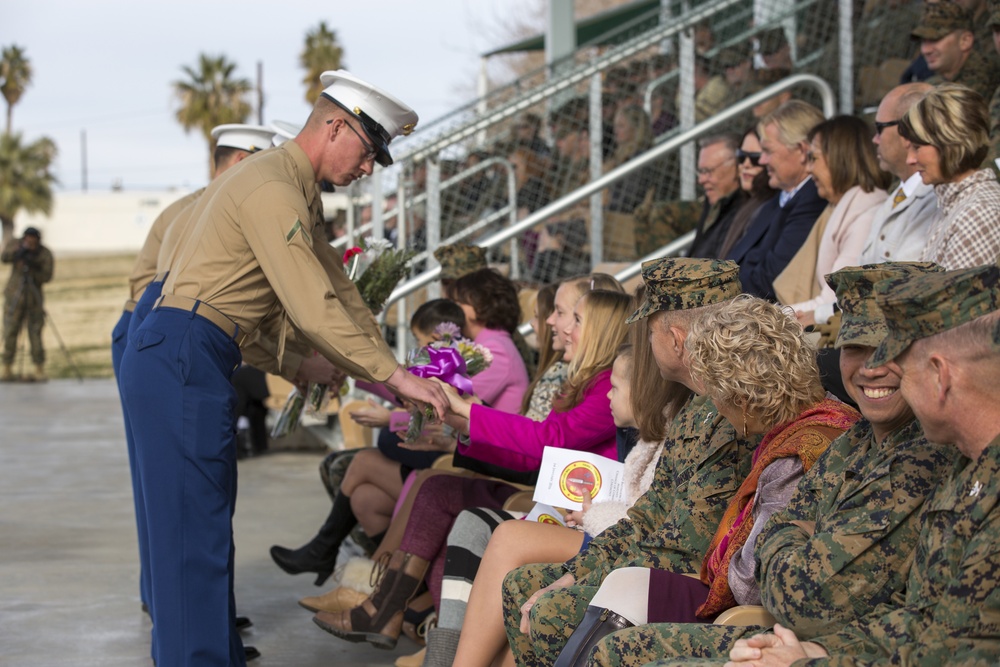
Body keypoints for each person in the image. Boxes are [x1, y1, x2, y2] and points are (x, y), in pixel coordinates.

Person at [118, 70, 449, 667]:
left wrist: (388, 370)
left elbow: (340, 294)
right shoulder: (274, 187)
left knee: (201, 532)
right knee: (192, 540)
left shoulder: (286, 184)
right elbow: (311, 303)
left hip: (189, 349)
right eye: (370, 149)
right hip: (187, 351)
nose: (370, 167)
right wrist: (396, 378)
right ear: (335, 125)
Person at [581, 262, 959, 667]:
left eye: (894, 348)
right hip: (812, 637)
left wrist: (786, 538)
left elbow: (795, 595)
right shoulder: (854, 440)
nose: (870, 366)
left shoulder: (877, 449)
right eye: (855, 347)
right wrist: (793, 538)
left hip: (803, 634)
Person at [311, 288, 632, 649]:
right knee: (434, 490)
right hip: (550, 498)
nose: (554, 322)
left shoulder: (606, 385)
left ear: (599, 330)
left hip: (567, 512)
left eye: (572, 317)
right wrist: (463, 430)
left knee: (441, 495)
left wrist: (466, 412)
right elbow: (536, 453)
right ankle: (399, 614)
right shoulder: (586, 382)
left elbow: (549, 440)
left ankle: (395, 612)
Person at [554, 297, 859, 667]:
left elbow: (750, 583)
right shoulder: (820, 417)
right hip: (737, 602)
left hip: (756, 623)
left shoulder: (793, 458)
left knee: (610, 648)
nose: (715, 407)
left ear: (744, 401)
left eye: (717, 396)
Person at [723, 262, 1000, 667]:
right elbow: (918, 621)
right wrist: (817, 654)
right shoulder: (867, 441)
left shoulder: (947, 462)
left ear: (939, 375)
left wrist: (809, 661)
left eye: (899, 358)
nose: (876, 369)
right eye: (857, 348)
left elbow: (810, 599)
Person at [500, 258, 757, 667]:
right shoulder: (696, 409)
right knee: (524, 584)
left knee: (552, 608)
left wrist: (590, 576)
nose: (643, 344)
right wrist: (579, 570)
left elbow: (686, 545)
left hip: (695, 582)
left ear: (674, 338)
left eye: (648, 331)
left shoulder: (732, 414)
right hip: (653, 564)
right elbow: (649, 514)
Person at [108, 123, 277, 633]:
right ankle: (177, 614)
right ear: (236, 162)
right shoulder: (200, 209)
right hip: (153, 334)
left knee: (179, 495)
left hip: (166, 337)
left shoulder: (217, 203)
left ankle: (195, 618)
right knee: (169, 493)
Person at [271, 268, 528, 587]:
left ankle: (369, 576)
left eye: (456, 300)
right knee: (365, 499)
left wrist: (389, 417)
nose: (449, 306)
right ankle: (387, 580)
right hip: (456, 448)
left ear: (476, 306)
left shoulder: (494, 352)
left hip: (477, 462)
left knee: (371, 454)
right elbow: (420, 390)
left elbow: (449, 407)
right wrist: (356, 369)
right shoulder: (480, 345)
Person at [778, 116, 891, 326]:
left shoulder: (867, 215)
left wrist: (769, 317)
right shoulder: (839, 208)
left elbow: (836, 298)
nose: (809, 168)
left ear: (840, 158)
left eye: (814, 157)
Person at [724, 101, 827, 300]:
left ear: (802, 151)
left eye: (768, 151)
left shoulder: (813, 200)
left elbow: (770, 279)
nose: (762, 161)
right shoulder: (780, 197)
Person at [899, 83, 1000, 269]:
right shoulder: (955, 202)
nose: (910, 160)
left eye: (917, 147)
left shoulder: (977, 213)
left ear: (950, 143)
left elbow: (959, 297)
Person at [858, 82, 938, 264]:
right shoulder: (896, 197)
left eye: (880, 128)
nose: (875, 139)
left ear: (909, 129)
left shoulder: (937, 197)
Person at [913, 0, 1000, 100]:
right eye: (923, 41)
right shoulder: (935, 82)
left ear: (965, 41)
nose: (925, 50)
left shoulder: (986, 78)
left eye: (935, 39)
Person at [716, 128, 779, 260]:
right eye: (741, 156)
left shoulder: (770, 209)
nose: (746, 164)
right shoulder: (741, 205)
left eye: (756, 158)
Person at [1, 227, 53, 382]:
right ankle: (6, 368)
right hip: (14, 297)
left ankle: (39, 368)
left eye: (33, 240)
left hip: (33, 300)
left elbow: (47, 275)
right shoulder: (16, 246)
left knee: (35, 333)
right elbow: (4, 257)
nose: (30, 243)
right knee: (10, 330)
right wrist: (18, 253)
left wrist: (33, 265)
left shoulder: (44, 253)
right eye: (27, 240)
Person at [688, 133, 745, 259]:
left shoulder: (747, 212)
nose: (701, 180)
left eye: (708, 171)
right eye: (701, 172)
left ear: (736, 167)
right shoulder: (714, 204)